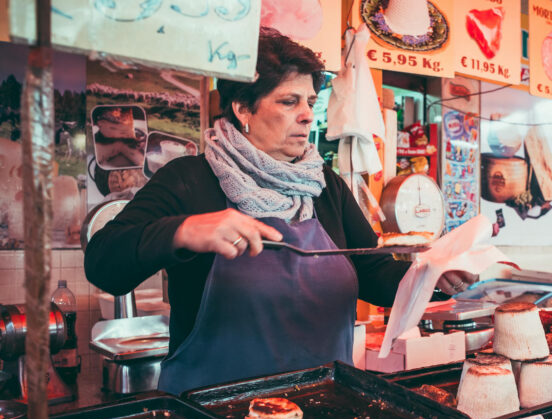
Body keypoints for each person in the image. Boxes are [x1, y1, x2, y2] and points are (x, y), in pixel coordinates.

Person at [84, 29, 476, 394]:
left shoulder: (325, 185)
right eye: (289, 101)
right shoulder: (190, 180)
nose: (307, 114)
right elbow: (104, 263)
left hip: (324, 403)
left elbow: (371, 272)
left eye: (309, 102)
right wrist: (183, 231)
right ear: (243, 109)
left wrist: (433, 276)